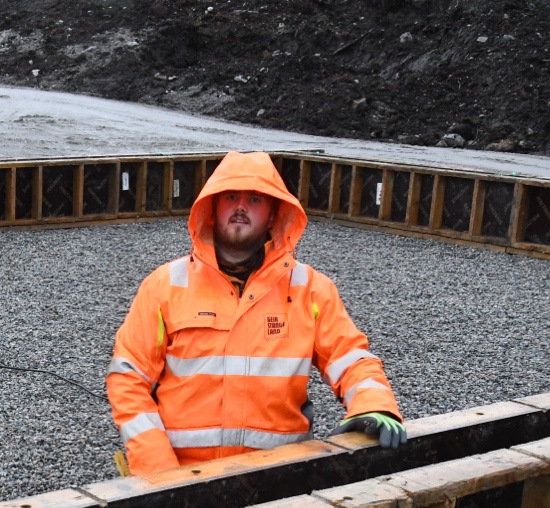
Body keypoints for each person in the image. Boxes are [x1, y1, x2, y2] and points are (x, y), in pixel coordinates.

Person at [107, 151, 406, 476]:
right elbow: (129, 379)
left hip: (279, 483)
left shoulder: (310, 289)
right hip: (182, 479)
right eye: (231, 196)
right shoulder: (164, 287)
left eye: (254, 199)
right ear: (212, 208)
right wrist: (159, 472)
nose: (240, 207)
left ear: (274, 214)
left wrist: (375, 406)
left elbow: (351, 360)